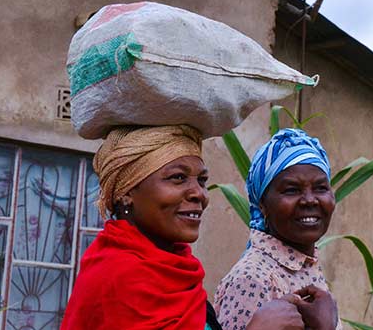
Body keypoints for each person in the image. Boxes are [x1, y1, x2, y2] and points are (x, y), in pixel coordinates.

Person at [60, 125, 312, 330]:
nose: (199, 194)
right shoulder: (117, 277)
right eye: (178, 178)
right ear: (127, 192)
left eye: (202, 180)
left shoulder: (177, 272)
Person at [215, 128, 341, 330]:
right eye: (291, 190)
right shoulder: (253, 279)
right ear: (262, 204)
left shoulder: (304, 266)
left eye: (320, 188)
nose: (310, 200)